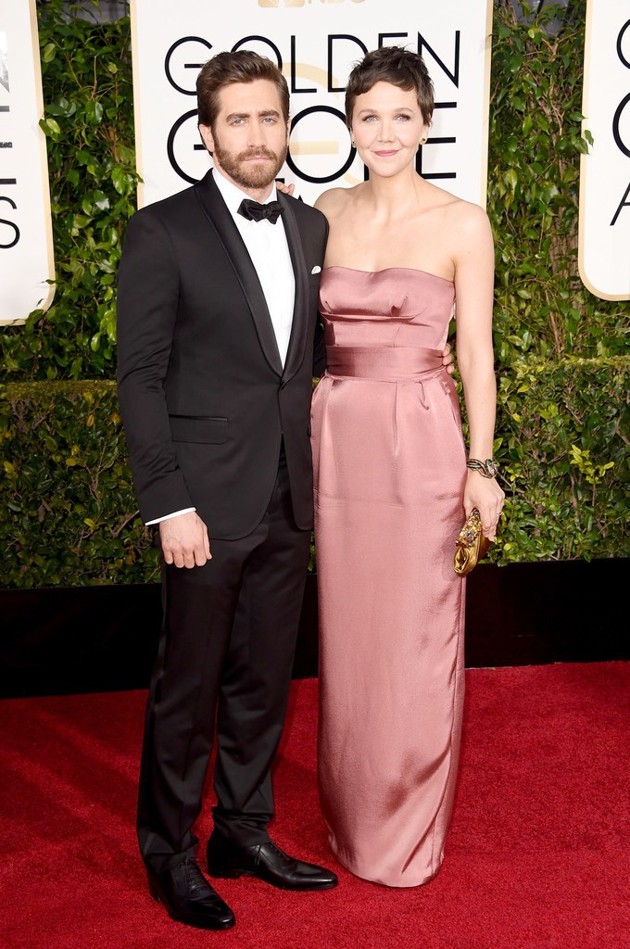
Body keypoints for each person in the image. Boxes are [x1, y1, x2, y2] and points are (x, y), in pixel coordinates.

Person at [116, 51, 339, 931]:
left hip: (289, 493)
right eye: (237, 120)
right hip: (202, 505)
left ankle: (242, 830)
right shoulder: (161, 231)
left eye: (269, 118)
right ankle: (168, 851)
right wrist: (168, 500)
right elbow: (139, 377)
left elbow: (305, 368)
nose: (257, 135)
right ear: (205, 135)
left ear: (287, 129)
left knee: (263, 678)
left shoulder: (312, 227)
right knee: (189, 683)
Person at [310, 46, 505, 887]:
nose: (384, 132)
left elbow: (478, 355)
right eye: (367, 116)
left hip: (422, 439)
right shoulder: (326, 209)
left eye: (400, 115)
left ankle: (408, 824)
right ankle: (353, 810)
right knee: (352, 634)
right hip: (339, 440)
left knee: (419, 630)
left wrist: (483, 465)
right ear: (350, 126)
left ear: (426, 124)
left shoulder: (463, 222)